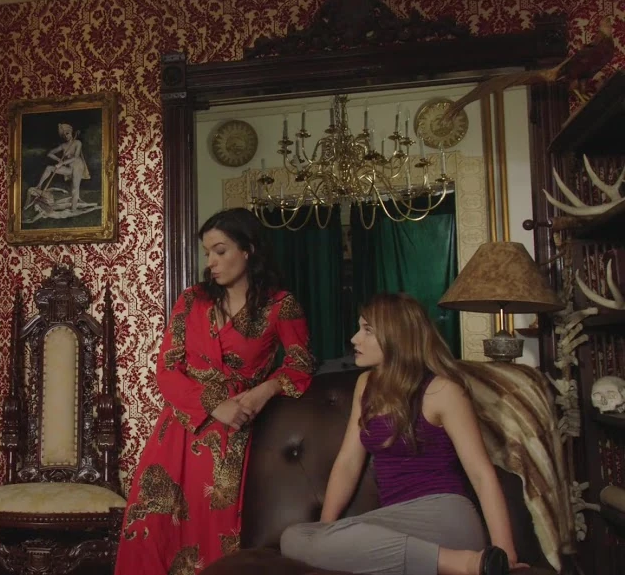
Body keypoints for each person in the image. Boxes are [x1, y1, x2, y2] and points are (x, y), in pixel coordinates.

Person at [115, 207, 314, 575]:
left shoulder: (280, 305)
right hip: (179, 430)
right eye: (207, 253)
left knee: (216, 539)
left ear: (248, 250)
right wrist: (213, 404)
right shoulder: (192, 300)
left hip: (234, 435)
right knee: (152, 533)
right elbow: (167, 370)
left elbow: (301, 363)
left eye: (220, 251)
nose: (211, 262)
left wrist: (264, 390)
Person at [280, 293, 524, 575]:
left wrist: (506, 553)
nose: (355, 339)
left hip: (445, 517)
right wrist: (325, 531)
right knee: (293, 538)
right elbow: (348, 463)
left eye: (367, 330)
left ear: (396, 336)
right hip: (396, 525)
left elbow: (481, 475)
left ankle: (470, 563)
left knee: (315, 540)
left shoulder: (442, 391)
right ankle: (451, 563)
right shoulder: (366, 385)